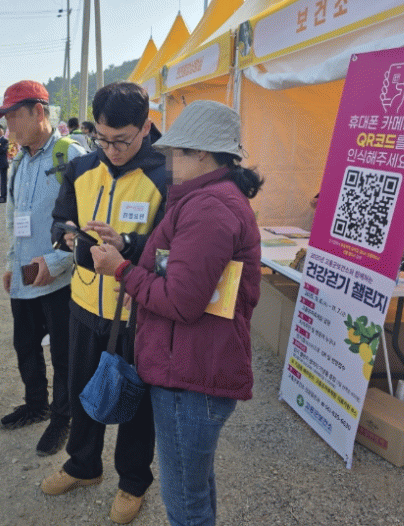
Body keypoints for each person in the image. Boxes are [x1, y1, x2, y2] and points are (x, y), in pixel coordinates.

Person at [90, 100, 263, 526]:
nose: (168, 161)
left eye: (175, 152)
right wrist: (136, 268)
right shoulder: (211, 198)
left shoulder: (209, 207)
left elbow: (182, 301)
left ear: (201, 153)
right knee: (194, 485)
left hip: (190, 375)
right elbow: (180, 271)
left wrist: (123, 271)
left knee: (185, 500)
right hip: (193, 365)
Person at [44, 82, 167, 525]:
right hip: (83, 303)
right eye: (103, 139)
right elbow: (59, 221)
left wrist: (129, 246)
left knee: (135, 399)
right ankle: (83, 464)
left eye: (122, 141)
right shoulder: (80, 168)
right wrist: (66, 236)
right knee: (82, 389)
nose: (111, 150)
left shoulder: (166, 175)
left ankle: (133, 481)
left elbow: (170, 251)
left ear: (146, 128)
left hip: (136, 311)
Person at [0, 80, 85, 456]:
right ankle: (36, 405)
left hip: (60, 277)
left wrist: (58, 261)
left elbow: (88, 220)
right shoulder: (19, 160)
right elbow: (15, 217)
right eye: (6, 118)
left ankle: (62, 418)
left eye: (15, 116)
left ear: (39, 112)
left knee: (62, 352)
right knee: (25, 344)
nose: (9, 125)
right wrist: (12, 262)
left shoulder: (70, 154)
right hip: (26, 273)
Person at [0, 124, 9, 202]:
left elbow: (3, 149)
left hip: (2, 164)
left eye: (0, 130)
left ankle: (4, 197)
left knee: (3, 181)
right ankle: (0, 195)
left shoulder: (5, 140)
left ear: (3, 131)